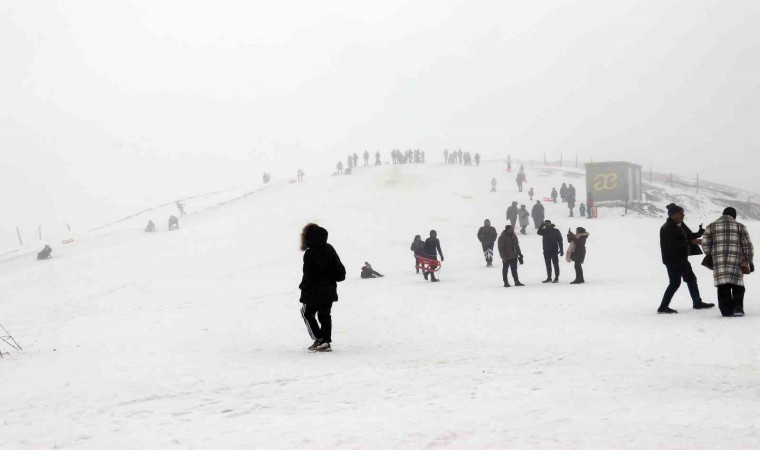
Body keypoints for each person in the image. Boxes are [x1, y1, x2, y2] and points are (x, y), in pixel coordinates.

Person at [658, 203, 714, 314]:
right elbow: (674, 243)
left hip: (682, 259)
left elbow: (689, 236)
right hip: (672, 260)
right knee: (674, 283)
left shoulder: (680, 224)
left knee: (691, 279)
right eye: (681, 213)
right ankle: (663, 307)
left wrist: (700, 232)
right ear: (673, 214)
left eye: (683, 213)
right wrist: (693, 241)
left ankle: (697, 303)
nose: (683, 215)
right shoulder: (667, 227)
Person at [299, 223, 346, 352]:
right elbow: (340, 271)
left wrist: (303, 287)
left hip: (313, 291)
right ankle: (325, 341)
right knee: (325, 315)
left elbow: (308, 274)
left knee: (307, 313)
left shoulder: (309, 253)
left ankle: (320, 338)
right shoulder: (329, 249)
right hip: (329, 290)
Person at [701, 207, 754, 317]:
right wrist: (749, 260)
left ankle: (726, 311)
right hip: (736, 260)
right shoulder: (740, 226)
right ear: (734, 216)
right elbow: (748, 245)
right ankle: (738, 309)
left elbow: (705, 243)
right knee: (737, 285)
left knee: (723, 285)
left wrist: (710, 254)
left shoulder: (711, 226)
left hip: (719, 260)